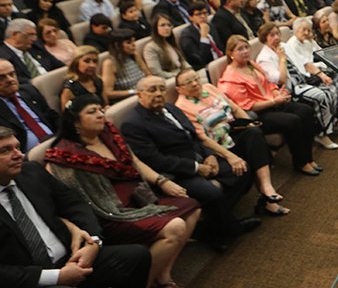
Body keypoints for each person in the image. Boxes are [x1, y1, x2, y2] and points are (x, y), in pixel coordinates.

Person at [44, 95, 199, 287]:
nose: (100, 115)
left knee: (192, 206)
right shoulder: (63, 155)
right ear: (75, 122)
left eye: (101, 110)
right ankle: (144, 282)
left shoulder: (108, 133)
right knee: (175, 227)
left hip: (139, 199)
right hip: (110, 215)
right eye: (92, 112)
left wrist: (161, 180)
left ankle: (163, 273)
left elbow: (135, 162)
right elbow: (62, 199)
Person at [120, 76, 262, 252]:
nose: (158, 93)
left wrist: (209, 156)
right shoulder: (133, 124)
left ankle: (210, 227)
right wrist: (196, 167)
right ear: (140, 95)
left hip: (199, 158)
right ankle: (227, 229)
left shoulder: (171, 108)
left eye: (161, 89)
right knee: (213, 194)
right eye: (152, 90)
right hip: (176, 172)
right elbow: (155, 159)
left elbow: (194, 136)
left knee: (242, 170)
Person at [0, 125, 152, 288]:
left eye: (17, 147)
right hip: (30, 279)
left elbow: (74, 203)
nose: (19, 155)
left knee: (137, 256)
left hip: (72, 257)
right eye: (5, 150)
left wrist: (92, 242)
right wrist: (57, 277)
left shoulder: (31, 172)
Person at [174, 69, 291, 215]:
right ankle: (267, 200)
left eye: (196, 78)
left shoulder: (209, 88)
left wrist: (248, 123)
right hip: (218, 145)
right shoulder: (182, 107)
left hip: (233, 132)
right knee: (252, 149)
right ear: (179, 89)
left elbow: (234, 108)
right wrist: (230, 156)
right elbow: (202, 138)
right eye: (188, 82)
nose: (195, 83)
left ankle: (267, 188)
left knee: (254, 133)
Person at [219, 35, 321, 173]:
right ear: (231, 54)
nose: (245, 51)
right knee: (293, 121)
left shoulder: (251, 64)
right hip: (259, 114)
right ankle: (301, 162)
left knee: (306, 111)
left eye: (246, 47)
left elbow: (268, 83)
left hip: (273, 103)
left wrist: (277, 93)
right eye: (240, 49)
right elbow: (247, 106)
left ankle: (309, 158)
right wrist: (273, 101)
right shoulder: (231, 78)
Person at [0, 59, 57, 153]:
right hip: (25, 156)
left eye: (12, 74)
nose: (10, 79)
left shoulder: (29, 91)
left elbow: (52, 116)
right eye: (1, 77)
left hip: (54, 142)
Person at [1, 19, 64, 84]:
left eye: (35, 35)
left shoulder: (35, 46)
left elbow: (59, 65)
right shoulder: (3, 57)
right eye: (31, 35)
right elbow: (16, 81)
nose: (34, 39)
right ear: (16, 35)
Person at [101, 29, 148, 104]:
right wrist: (133, 92)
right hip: (129, 100)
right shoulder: (110, 63)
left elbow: (148, 75)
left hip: (145, 94)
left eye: (134, 41)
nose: (134, 45)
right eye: (129, 42)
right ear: (117, 45)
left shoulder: (135, 55)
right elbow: (108, 93)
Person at [143, 14, 190, 79]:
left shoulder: (170, 42)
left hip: (182, 75)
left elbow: (182, 61)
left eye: (169, 25)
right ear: (155, 28)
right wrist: (178, 76)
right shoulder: (150, 48)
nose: (167, 28)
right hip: (171, 79)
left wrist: (189, 70)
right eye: (162, 25)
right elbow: (157, 73)